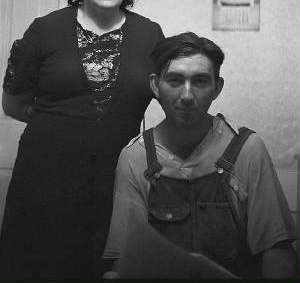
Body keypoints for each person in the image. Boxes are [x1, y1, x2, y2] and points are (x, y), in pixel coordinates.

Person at [0, 0, 164, 281]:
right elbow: (13, 103)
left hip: (117, 184)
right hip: (43, 182)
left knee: (105, 269)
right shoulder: (45, 30)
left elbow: (170, 93)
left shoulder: (150, 35)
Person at [103, 32, 298, 279]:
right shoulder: (135, 157)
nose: (186, 95)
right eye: (174, 80)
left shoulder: (246, 149)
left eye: (200, 81)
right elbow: (123, 256)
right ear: (155, 86)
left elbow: (277, 250)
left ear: (217, 87)